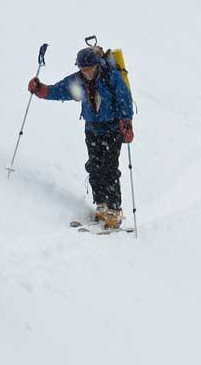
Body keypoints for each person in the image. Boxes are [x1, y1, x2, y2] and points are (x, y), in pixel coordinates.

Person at [28, 47, 134, 229]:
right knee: (94, 167)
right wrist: (41, 90)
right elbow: (59, 90)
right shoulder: (78, 80)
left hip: (112, 129)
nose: (87, 73)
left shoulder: (110, 76)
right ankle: (101, 204)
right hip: (92, 129)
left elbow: (124, 98)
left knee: (109, 168)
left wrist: (126, 122)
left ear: (96, 64)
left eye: (90, 68)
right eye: (83, 69)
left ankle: (114, 210)